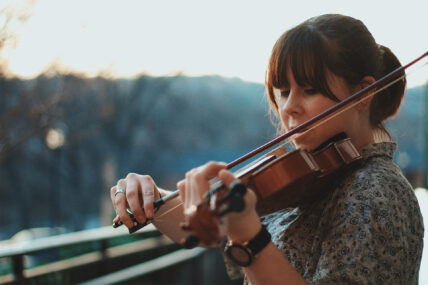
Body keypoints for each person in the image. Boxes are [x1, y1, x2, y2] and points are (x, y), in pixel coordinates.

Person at [110, 14, 424, 284]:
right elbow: (200, 230)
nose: (289, 108)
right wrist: (153, 199)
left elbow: (246, 239)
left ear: (363, 93)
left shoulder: (376, 190)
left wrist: (250, 239)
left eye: (309, 90)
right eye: (283, 91)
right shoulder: (315, 177)